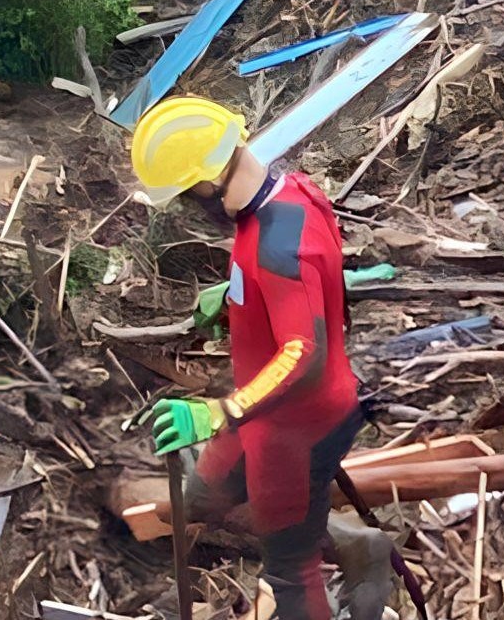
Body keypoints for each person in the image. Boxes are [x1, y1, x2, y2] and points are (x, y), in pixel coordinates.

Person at [130, 96, 393, 620]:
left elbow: (303, 354)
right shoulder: (293, 192)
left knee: (290, 574)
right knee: (204, 496)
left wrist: (217, 411)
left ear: (208, 181)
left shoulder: (277, 248)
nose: (188, 205)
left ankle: (353, 554)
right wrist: (234, 301)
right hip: (261, 416)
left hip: (295, 428)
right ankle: (341, 537)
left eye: (186, 193)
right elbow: (319, 285)